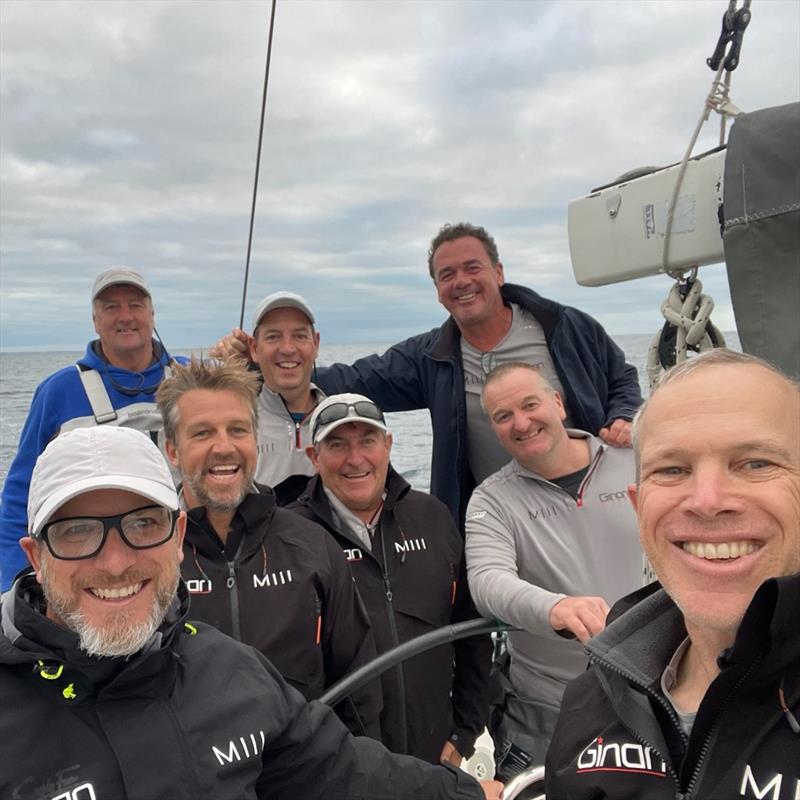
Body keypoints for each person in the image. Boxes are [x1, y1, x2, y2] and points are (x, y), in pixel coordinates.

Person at [0, 425, 503, 800]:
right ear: (36, 557)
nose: (115, 562)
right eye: (76, 532)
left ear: (177, 539)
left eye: (143, 523)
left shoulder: (230, 670)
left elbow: (348, 774)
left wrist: (468, 794)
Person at [215, 223, 642, 527]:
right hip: (497, 516)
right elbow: (352, 378)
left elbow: (620, 375)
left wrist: (623, 415)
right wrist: (261, 368)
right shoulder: (431, 355)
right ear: (437, 290)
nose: (461, 282)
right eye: (446, 275)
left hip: (586, 499)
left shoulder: (563, 326)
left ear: (498, 271)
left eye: (472, 268)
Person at [545, 349, 800, 800]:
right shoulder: (596, 694)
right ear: (639, 506)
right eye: (672, 469)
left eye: (756, 463)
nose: (707, 499)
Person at [156, 358, 382, 736]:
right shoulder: (148, 557)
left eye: (238, 430)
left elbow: (359, 689)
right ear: (173, 450)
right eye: (202, 433)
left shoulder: (311, 545)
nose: (224, 447)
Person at [289, 393, 493, 766]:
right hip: (340, 769)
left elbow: (473, 633)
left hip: (434, 758)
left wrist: (464, 731)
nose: (355, 459)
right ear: (314, 457)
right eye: (337, 444)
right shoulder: (290, 537)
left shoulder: (433, 516)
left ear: (388, 445)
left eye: (367, 441)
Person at [464, 362, 644, 779]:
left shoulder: (635, 460)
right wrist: (556, 608)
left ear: (559, 404)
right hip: (550, 702)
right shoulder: (491, 501)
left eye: (530, 405)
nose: (522, 423)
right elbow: (488, 581)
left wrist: (652, 431)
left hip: (657, 682)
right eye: (503, 416)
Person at [0, 267, 185, 591]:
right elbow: (22, 494)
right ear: (95, 320)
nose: (125, 316)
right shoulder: (59, 391)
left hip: (187, 557)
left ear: (152, 314)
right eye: (111, 307)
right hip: (100, 566)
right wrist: (10, 583)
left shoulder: (192, 376)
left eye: (135, 305)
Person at [246, 291, 327, 504]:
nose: (288, 348)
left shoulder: (339, 421)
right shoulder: (236, 425)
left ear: (316, 344)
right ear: (254, 348)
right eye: (273, 336)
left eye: (300, 336)